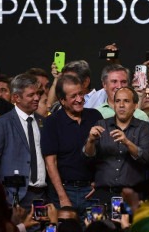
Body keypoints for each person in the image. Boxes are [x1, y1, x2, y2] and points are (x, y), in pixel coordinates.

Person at [41, 75, 103, 218]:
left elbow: (103, 153)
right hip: (63, 190)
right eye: (73, 96)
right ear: (62, 100)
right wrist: (62, 197)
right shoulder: (52, 122)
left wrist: (98, 182)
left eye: (81, 93)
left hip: (91, 191)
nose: (79, 99)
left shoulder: (95, 116)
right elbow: (51, 163)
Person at [84, 87, 149, 213]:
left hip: (132, 196)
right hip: (103, 194)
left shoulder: (143, 127)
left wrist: (127, 142)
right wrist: (90, 141)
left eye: (126, 101)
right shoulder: (101, 124)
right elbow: (88, 157)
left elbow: (146, 158)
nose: (121, 105)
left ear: (135, 105)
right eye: (117, 101)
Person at [0, 74, 47, 210]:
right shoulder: (2, 124)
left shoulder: (44, 122)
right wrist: (2, 196)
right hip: (13, 197)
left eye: (38, 93)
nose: (37, 98)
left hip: (43, 195)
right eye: (31, 95)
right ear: (16, 98)